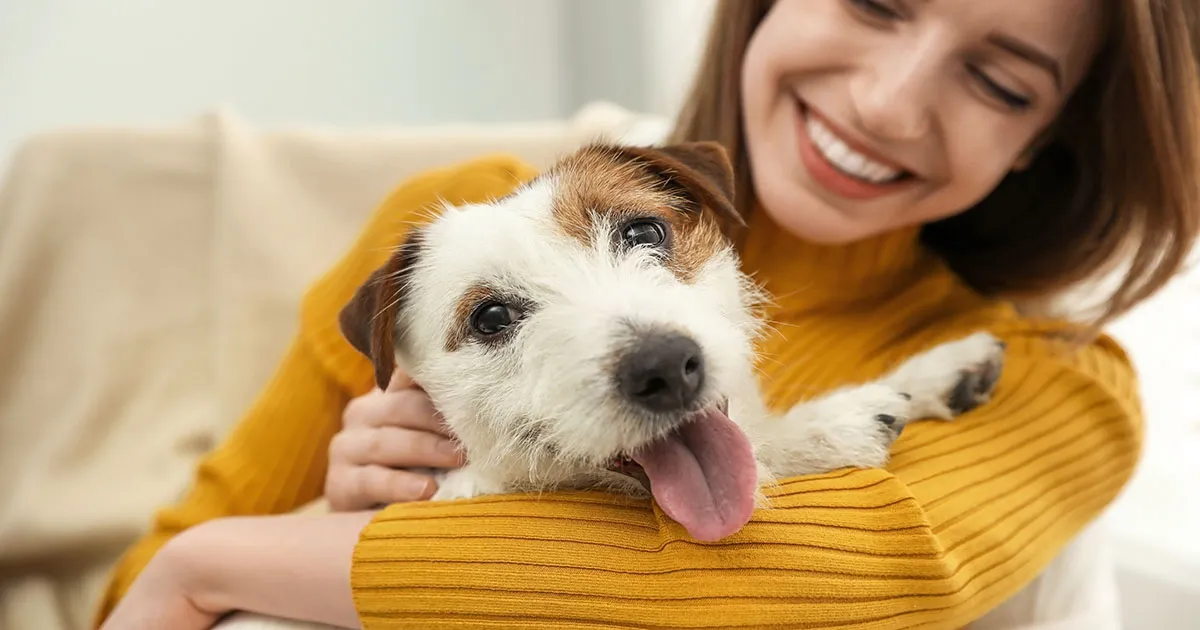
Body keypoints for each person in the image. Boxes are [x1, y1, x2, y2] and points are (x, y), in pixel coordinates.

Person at [96, 0, 1200, 628]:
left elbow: (854, 576)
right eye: (873, 0)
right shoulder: (441, 251)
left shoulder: (1053, 378)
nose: (888, 102)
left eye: (1001, 82)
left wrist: (236, 565)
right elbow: (131, 603)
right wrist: (314, 532)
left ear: (1049, 136)